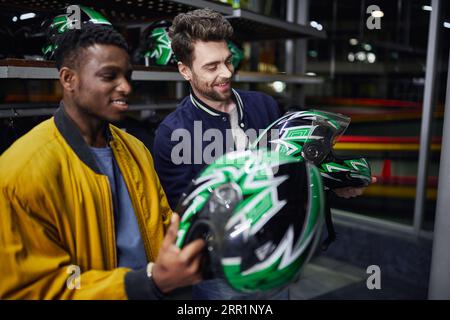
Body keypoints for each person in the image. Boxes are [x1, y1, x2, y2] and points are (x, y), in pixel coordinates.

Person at [0, 24, 204, 299]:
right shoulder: (21, 172)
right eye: (110, 76)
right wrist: (146, 283)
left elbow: (163, 229)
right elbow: (32, 288)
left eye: (127, 76)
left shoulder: (136, 151)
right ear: (68, 79)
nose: (126, 87)